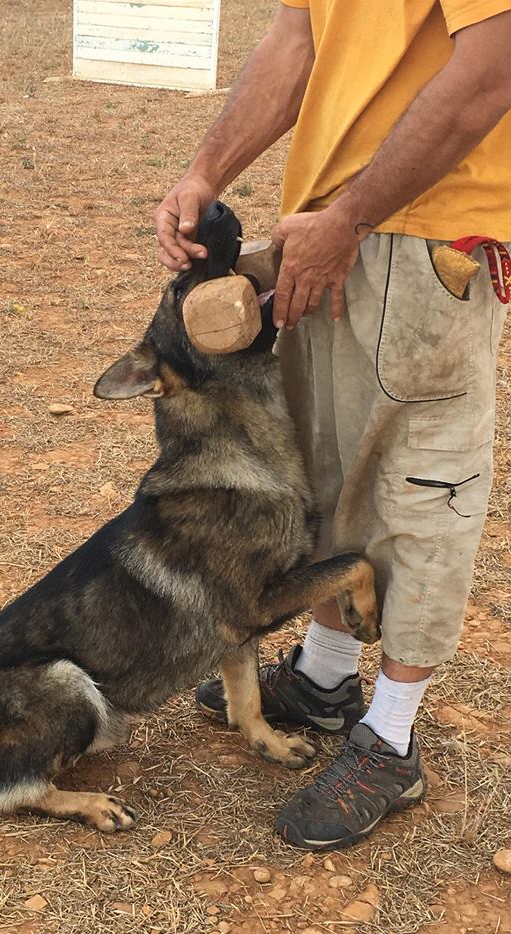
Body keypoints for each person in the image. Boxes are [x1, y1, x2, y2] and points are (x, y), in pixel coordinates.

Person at [155, 0, 511, 850]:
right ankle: (323, 678)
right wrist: (208, 168)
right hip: (320, 224)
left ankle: (391, 737)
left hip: (425, 231)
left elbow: (491, 68)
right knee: (322, 468)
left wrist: (351, 220)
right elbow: (301, 38)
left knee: (422, 485)